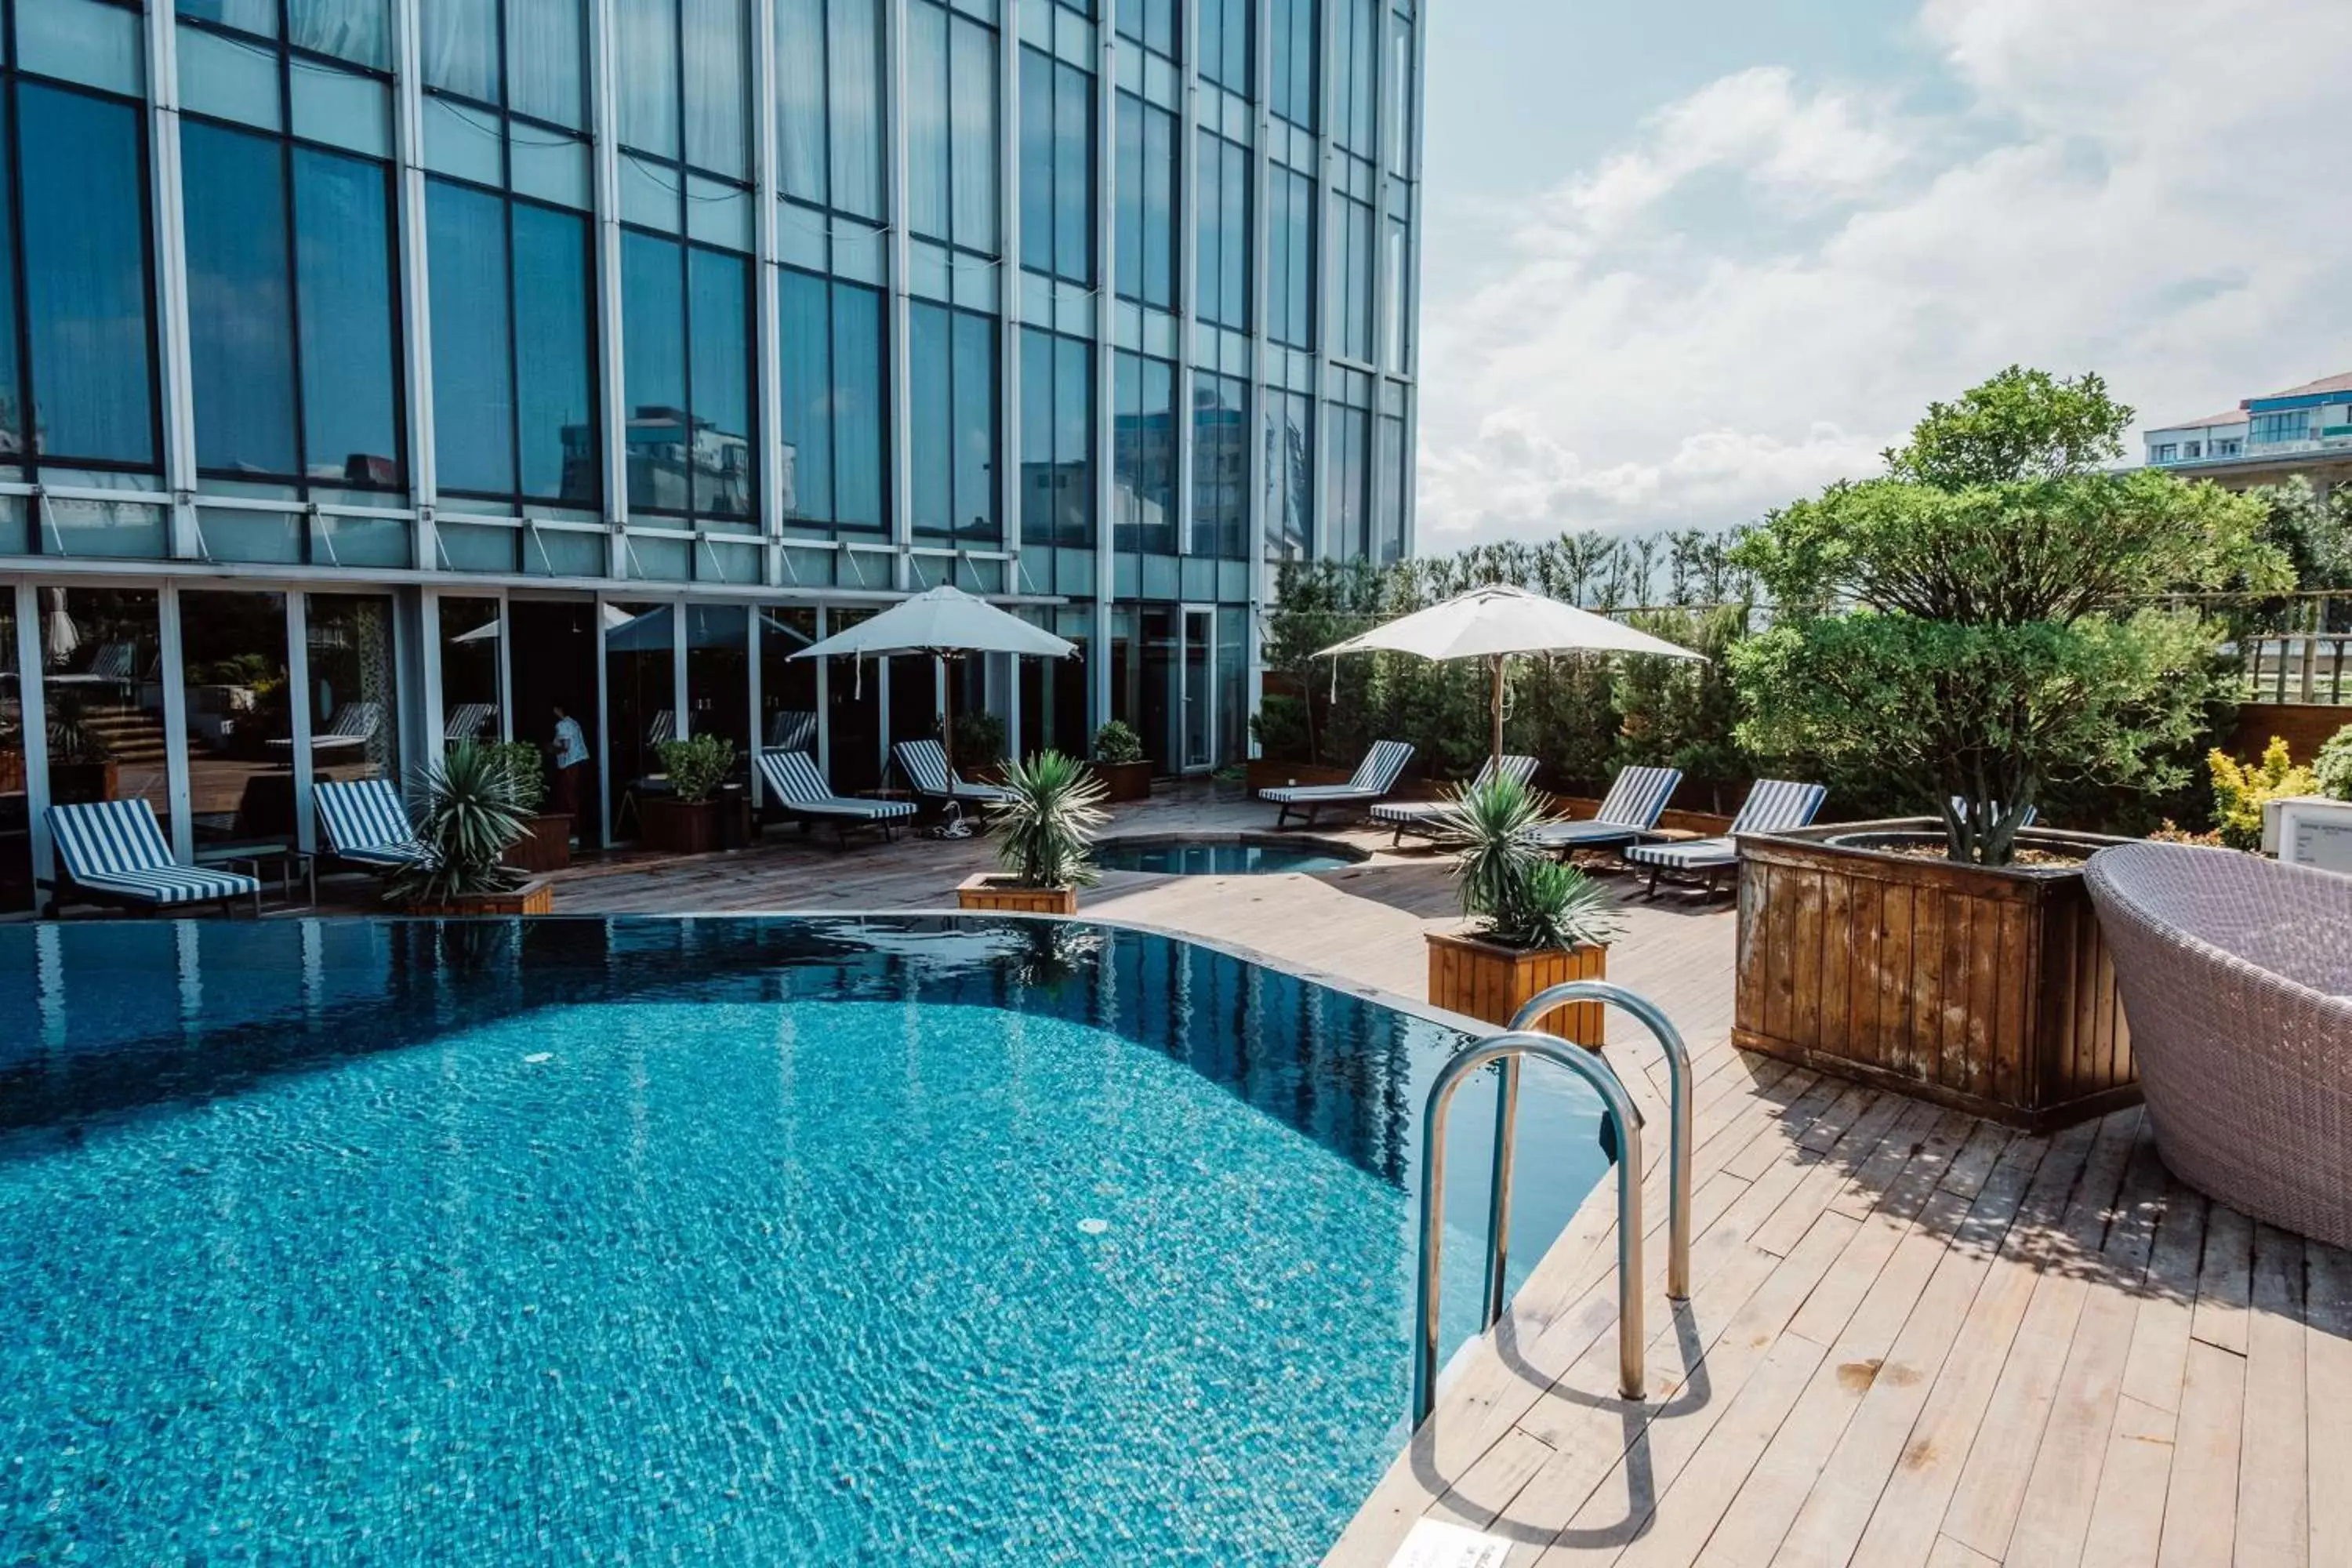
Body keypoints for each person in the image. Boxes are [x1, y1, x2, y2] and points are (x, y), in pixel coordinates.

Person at [550, 705, 590, 833]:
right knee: (573, 797)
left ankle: (573, 831)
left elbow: (566, 746)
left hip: (569, 764)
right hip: (579, 762)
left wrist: (552, 749)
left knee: (568, 798)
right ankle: (577, 829)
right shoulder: (574, 723)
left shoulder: (562, 725)